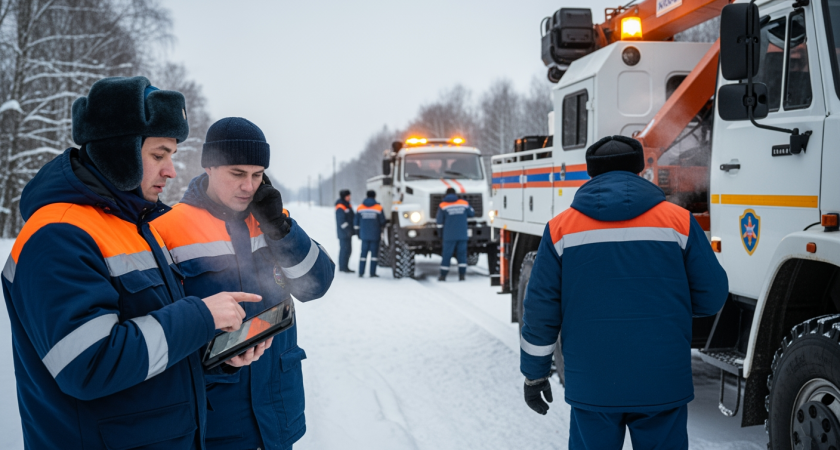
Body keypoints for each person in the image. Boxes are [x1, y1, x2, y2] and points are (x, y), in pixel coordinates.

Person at [1, 77, 262, 450]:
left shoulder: (137, 226)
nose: (171, 170)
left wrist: (215, 352)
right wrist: (200, 317)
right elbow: (87, 365)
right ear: (118, 151)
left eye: (172, 155)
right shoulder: (58, 234)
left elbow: (152, 343)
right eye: (159, 155)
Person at [519, 136, 728, 448]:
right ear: (639, 168)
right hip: (662, 379)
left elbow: (540, 311)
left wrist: (535, 375)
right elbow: (712, 295)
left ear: (591, 172)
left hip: (592, 383)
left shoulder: (561, 228)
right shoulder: (679, 222)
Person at [153, 117, 335, 450]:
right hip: (216, 419)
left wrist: (280, 227)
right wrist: (215, 357)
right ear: (209, 167)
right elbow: (163, 330)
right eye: (237, 174)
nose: (249, 187)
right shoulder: (168, 227)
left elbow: (316, 283)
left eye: (257, 175)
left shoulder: (272, 219)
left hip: (278, 415)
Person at [436, 187, 474, 281]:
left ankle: (443, 276)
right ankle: (462, 275)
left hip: (449, 236)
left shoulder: (443, 205)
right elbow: (472, 213)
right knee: (462, 255)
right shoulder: (464, 203)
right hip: (462, 235)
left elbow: (439, 221)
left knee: (447, 255)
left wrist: (440, 234)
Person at [354, 190, 386, 277]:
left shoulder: (360, 207)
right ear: (375, 196)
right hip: (375, 235)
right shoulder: (378, 208)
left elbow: (356, 222)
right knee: (374, 256)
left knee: (363, 255)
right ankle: (372, 273)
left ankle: (361, 272)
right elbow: (382, 221)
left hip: (364, 235)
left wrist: (358, 233)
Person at [335, 189, 355, 273]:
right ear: (344, 196)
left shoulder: (347, 205)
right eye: (348, 196)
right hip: (344, 233)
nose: (349, 197)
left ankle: (345, 266)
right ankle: (343, 267)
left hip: (348, 233)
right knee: (344, 250)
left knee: (348, 250)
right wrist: (348, 230)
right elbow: (341, 221)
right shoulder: (340, 206)